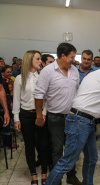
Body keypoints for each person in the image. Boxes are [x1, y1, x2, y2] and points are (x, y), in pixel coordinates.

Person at [45, 55, 100, 185]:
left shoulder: (94, 74)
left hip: (83, 118)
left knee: (92, 158)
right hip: (81, 120)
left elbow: (92, 100)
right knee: (68, 161)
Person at [34, 43, 81, 185]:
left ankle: (71, 176)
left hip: (72, 116)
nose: (73, 60)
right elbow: (39, 95)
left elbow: (77, 92)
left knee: (72, 148)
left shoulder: (74, 71)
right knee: (57, 149)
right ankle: (57, 179)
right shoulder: (48, 71)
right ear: (62, 55)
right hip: (55, 118)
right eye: (72, 57)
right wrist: (38, 116)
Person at [13, 50, 49, 185]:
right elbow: (16, 100)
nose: (41, 61)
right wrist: (16, 118)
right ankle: (33, 175)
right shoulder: (19, 79)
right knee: (29, 145)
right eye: (38, 59)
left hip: (40, 114)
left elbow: (46, 99)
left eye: (41, 59)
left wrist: (44, 115)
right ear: (30, 61)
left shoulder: (43, 77)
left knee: (43, 145)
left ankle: (44, 173)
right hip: (26, 115)